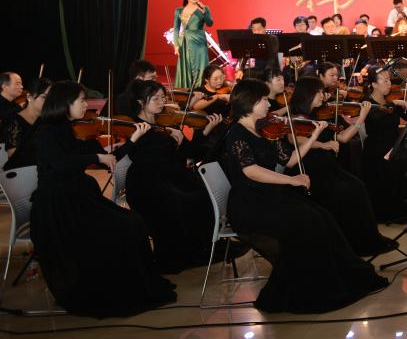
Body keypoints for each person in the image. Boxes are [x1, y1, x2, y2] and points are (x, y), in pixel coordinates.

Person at [220, 79, 387, 312]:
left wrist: (314, 135)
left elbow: (289, 160)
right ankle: (315, 289)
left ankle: (342, 276)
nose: (269, 104)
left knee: (322, 215)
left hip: (270, 195)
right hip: (250, 203)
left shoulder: (265, 128)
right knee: (307, 222)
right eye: (263, 100)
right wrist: (292, 180)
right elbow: (251, 171)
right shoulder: (236, 134)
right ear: (249, 102)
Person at [29, 81, 177, 316]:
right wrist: (96, 156)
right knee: (120, 228)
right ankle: (114, 287)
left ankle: (136, 284)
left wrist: (133, 140)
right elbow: (59, 164)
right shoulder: (45, 132)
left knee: (134, 222)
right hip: (59, 204)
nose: (86, 105)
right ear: (65, 103)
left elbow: (110, 159)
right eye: (81, 101)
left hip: (79, 196)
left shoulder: (72, 129)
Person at [118, 80, 224, 273]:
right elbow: (145, 157)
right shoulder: (134, 127)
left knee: (203, 194)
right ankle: (178, 254)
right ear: (141, 102)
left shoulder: (165, 123)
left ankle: (201, 247)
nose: (162, 102)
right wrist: (168, 140)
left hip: (170, 176)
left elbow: (192, 152)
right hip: (146, 181)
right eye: (155, 98)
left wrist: (202, 131)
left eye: (163, 97)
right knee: (179, 201)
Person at [284, 77, 398, 256]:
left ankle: (367, 239)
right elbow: (296, 140)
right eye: (319, 92)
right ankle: (350, 243)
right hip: (309, 168)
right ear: (307, 95)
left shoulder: (321, 113)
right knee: (345, 192)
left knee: (357, 186)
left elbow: (343, 137)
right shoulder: (295, 116)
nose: (323, 95)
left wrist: (361, 118)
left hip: (327, 166)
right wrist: (323, 145)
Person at [357, 67, 407, 221]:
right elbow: (375, 117)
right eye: (385, 80)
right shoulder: (367, 102)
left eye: (389, 80)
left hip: (395, 145)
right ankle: (405, 206)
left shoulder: (391, 100)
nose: (389, 83)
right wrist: (392, 104)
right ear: (374, 84)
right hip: (377, 149)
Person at [2, 77, 50, 170]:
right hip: (21, 172)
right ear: (29, 97)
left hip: (43, 168)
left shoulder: (47, 120)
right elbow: (14, 156)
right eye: (44, 97)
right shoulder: (14, 121)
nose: (49, 102)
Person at [172, 0, 213, 89]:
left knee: (201, 65)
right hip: (185, 41)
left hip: (199, 41)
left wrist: (204, 12)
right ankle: (187, 90)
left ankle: (201, 89)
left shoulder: (204, 8)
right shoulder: (179, 10)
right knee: (187, 65)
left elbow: (210, 23)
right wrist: (176, 45)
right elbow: (176, 28)